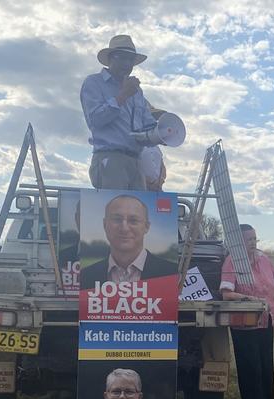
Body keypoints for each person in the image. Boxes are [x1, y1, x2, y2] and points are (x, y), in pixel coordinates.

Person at [219, 224, 274, 399]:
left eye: (255, 239)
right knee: (250, 369)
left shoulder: (264, 259)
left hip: (267, 320)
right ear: (238, 242)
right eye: (248, 240)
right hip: (245, 324)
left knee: (266, 368)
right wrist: (249, 298)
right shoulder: (232, 262)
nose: (253, 243)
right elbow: (226, 293)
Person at [80, 35, 157, 190]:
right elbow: (95, 119)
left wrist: (160, 134)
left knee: (139, 211)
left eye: (130, 60)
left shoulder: (137, 92)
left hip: (136, 162)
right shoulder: (94, 83)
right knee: (115, 209)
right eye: (122, 58)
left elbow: (146, 124)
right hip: (110, 158)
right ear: (110, 59)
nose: (127, 64)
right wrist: (122, 96)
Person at [80, 194, 177, 289]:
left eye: (133, 220)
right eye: (117, 219)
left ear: (146, 227)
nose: (124, 228)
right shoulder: (85, 275)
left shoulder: (171, 273)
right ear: (105, 224)